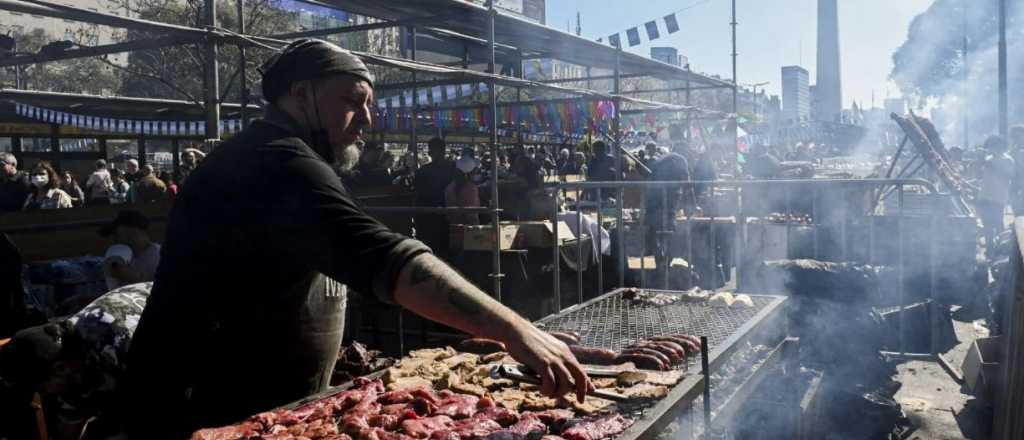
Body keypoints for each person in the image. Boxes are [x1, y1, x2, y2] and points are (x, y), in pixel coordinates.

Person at [125, 39, 591, 438]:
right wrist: (514, 328)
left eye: (369, 104)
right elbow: (387, 260)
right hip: (205, 409)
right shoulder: (275, 161)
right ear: (301, 95)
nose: (367, 119)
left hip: (269, 407)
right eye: (353, 100)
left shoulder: (288, 157)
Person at [0, 283, 152, 440]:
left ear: (59, 368)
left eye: (42, 389)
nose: (43, 394)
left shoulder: (116, 347)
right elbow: (72, 414)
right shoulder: (67, 353)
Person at [414, 137, 456, 254]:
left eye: (430, 150)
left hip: (429, 216)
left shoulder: (422, 171)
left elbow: (417, 194)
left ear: (431, 152)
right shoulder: (454, 168)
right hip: (448, 214)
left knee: (429, 250)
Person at [100, 210, 161, 289]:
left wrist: (130, 277)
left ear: (133, 231)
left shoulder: (158, 256)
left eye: (116, 234)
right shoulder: (126, 255)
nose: (114, 240)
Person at [977, 135, 1015, 257]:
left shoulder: (1007, 160)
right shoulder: (988, 159)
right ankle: (990, 249)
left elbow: (1009, 175)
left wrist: (991, 166)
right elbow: (981, 176)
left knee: (997, 224)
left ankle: (1001, 250)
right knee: (987, 225)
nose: (990, 149)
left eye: (992, 146)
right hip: (985, 196)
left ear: (1000, 147)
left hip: (997, 197)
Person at [445, 156, 481, 225]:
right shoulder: (470, 188)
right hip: (467, 230)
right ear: (472, 172)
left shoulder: (450, 186)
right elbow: (472, 215)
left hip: (453, 228)